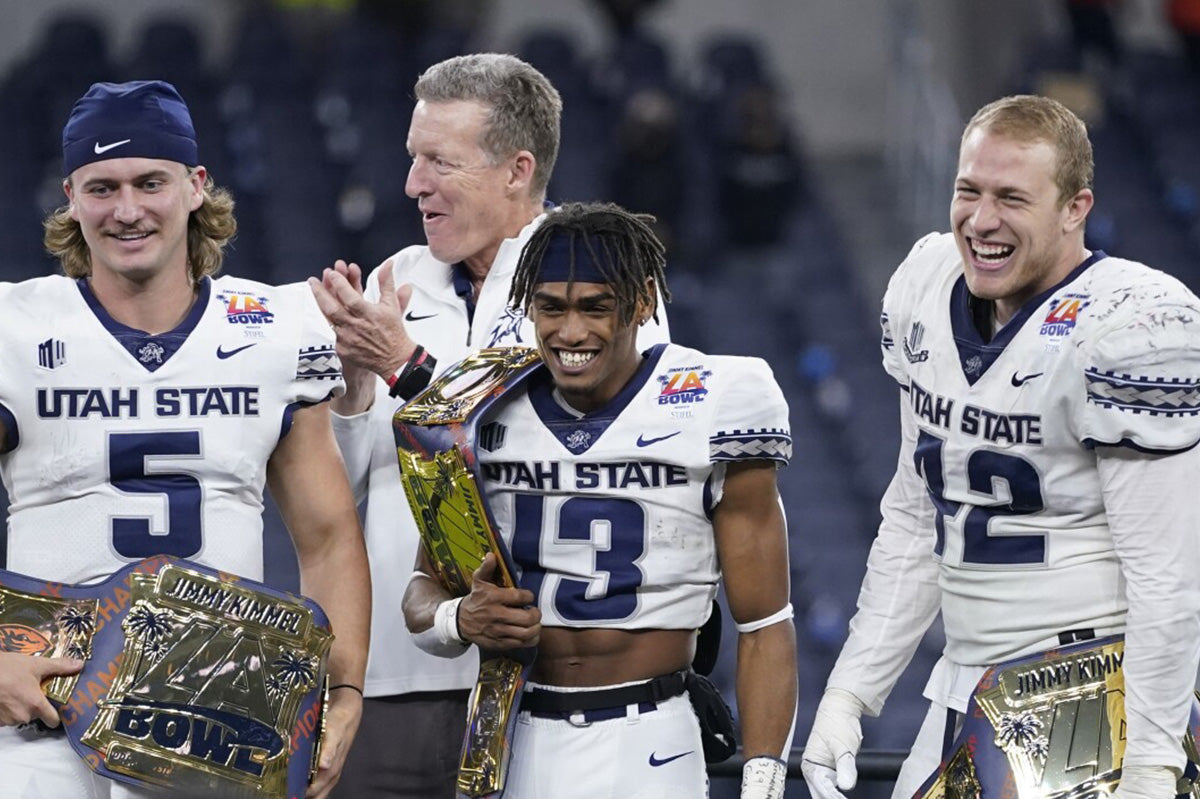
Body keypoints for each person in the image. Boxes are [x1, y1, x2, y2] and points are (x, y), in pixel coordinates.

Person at [801, 94, 1200, 799]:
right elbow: (916, 515)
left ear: (1076, 208)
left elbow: (1166, 574)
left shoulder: (1134, 323)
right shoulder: (926, 283)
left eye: (1012, 198)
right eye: (969, 191)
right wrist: (851, 691)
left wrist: (1152, 762)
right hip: (963, 676)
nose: (981, 221)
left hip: (1083, 684)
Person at [308, 54, 669, 798]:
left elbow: (569, 441)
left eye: (439, 161)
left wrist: (406, 367)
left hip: (544, 681)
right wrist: (351, 390)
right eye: (413, 159)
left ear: (516, 169)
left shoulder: (600, 281)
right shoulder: (398, 278)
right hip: (392, 673)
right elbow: (337, 494)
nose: (413, 184)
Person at [0, 80, 370, 799]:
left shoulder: (272, 330)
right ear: (70, 195)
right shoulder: (16, 328)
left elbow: (326, 536)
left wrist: (345, 690)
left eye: (150, 182)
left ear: (197, 186)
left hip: (209, 716)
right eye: (102, 187)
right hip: (39, 707)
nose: (128, 209)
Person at [401, 201, 798, 799]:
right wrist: (461, 618)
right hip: (512, 733)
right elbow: (420, 593)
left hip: (649, 736)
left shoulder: (717, 401)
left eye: (595, 307)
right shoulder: (474, 407)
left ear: (641, 303)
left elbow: (765, 622)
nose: (570, 332)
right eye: (551, 308)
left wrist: (762, 782)